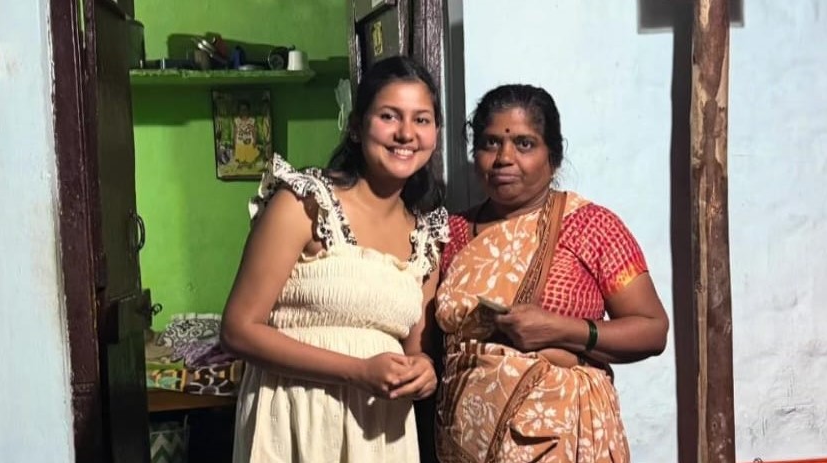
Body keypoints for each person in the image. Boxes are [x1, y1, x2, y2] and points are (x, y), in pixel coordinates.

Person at [221, 56, 449, 463]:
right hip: (295, 417)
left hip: (379, 431)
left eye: (422, 120)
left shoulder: (428, 236)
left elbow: (415, 349)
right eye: (389, 116)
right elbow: (239, 330)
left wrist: (424, 371)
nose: (406, 134)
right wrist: (357, 370)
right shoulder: (303, 202)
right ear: (358, 127)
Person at [434, 84, 669, 462]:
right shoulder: (454, 233)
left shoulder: (591, 226)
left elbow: (653, 329)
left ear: (553, 157)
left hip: (562, 438)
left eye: (524, 144)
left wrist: (561, 330)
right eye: (490, 143)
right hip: (465, 440)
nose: (504, 158)